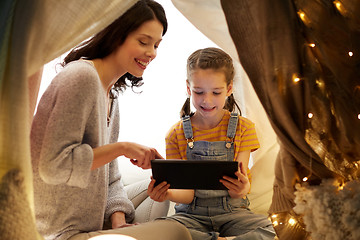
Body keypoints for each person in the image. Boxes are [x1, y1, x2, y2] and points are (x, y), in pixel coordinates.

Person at [30, 1, 191, 240]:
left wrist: (118, 220)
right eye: (143, 42)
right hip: (58, 231)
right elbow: (53, 166)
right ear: (117, 35)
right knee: (177, 231)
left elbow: (110, 176)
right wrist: (122, 148)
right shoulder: (81, 77)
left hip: (92, 220)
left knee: (158, 193)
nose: (152, 53)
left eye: (156, 44)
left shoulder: (110, 95)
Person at [147, 47, 276, 240]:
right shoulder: (176, 134)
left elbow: (240, 189)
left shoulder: (244, 128)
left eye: (216, 92)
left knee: (272, 230)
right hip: (190, 216)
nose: (207, 100)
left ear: (229, 89)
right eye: (199, 92)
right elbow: (187, 195)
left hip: (234, 213)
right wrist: (166, 194)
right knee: (160, 231)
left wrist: (242, 189)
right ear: (189, 88)